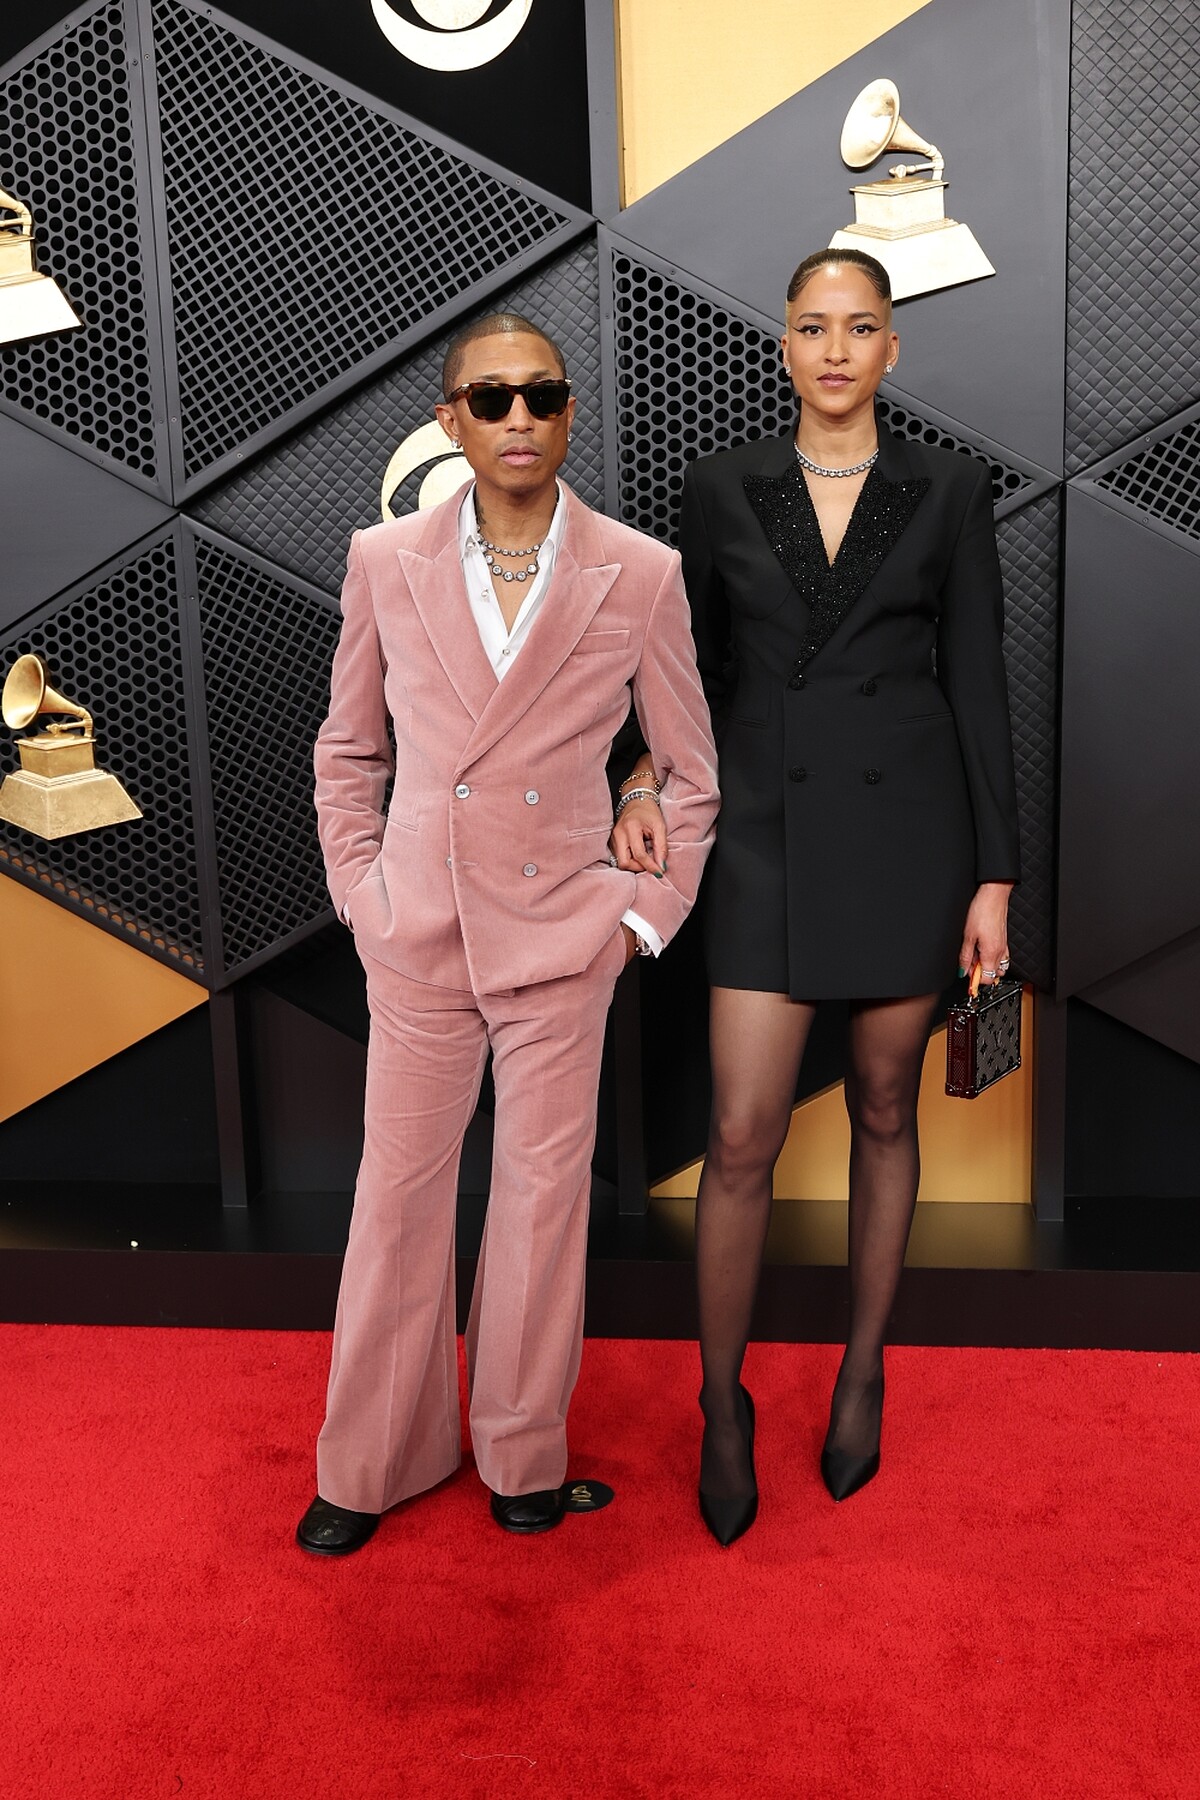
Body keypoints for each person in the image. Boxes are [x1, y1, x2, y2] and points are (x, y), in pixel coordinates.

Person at [612, 249, 1019, 1545]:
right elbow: (688, 666)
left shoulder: (949, 489)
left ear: (893, 347)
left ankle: (862, 1369)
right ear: (783, 346)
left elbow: (979, 684)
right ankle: (720, 1403)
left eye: (860, 326)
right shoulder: (720, 486)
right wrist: (641, 774)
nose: (835, 349)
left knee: (887, 1107)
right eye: (811, 326)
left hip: (909, 834)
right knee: (742, 1133)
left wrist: (996, 875)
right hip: (766, 833)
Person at [298, 312, 718, 1553]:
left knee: (541, 1205)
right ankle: (371, 1460)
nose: (519, 417)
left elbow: (689, 772)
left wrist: (639, 921)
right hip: (418, 935)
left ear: (569, 412)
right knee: (396, 1202)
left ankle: (523, 1451)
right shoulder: (385, 559)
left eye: (541, 395)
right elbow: (348, 749)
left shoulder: (640, 570)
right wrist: (362, 893)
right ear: (452, 420)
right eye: (491, 400)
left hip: (561, 941)